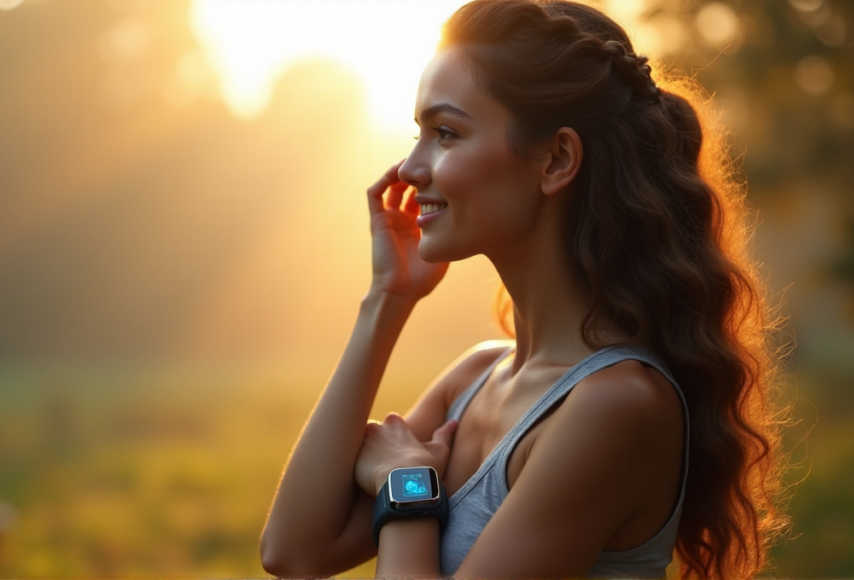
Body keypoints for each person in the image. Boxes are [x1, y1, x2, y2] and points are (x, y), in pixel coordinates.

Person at [259, 0, 788, 578]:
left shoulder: (616, 405)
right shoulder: (475, 378)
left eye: (445, 132)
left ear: (557, 159)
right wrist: (389, 296)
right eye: (418, 134)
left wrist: (404, 485)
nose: (409, 168)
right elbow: (293, 551)